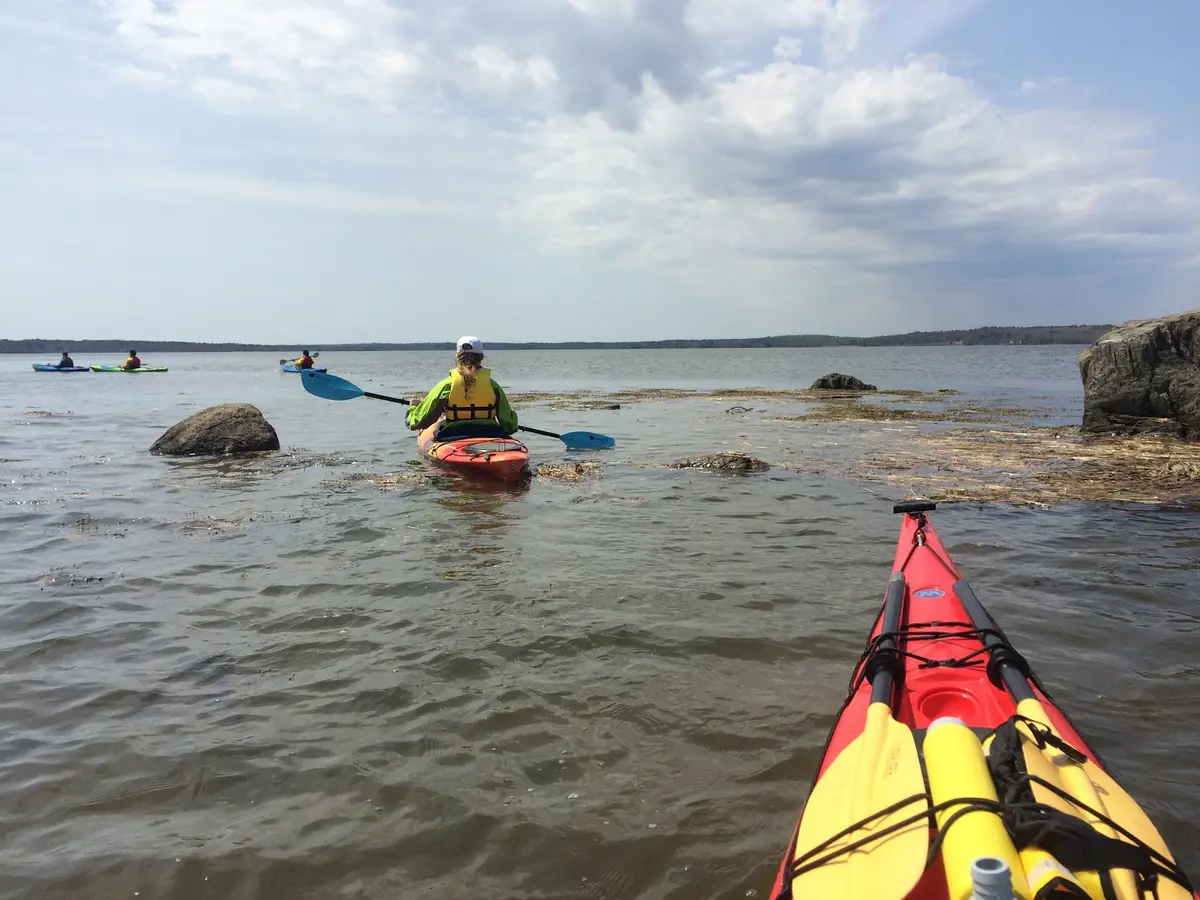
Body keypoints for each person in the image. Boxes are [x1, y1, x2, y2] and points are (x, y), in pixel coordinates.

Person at [406, 336, 519, 438]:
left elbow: (418, 422)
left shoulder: (446, 385)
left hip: (453, 434)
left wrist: (413, 408)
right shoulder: (493, 386)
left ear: (457, 357)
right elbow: (510, 425)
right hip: (491, 433)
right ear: (481, 357)